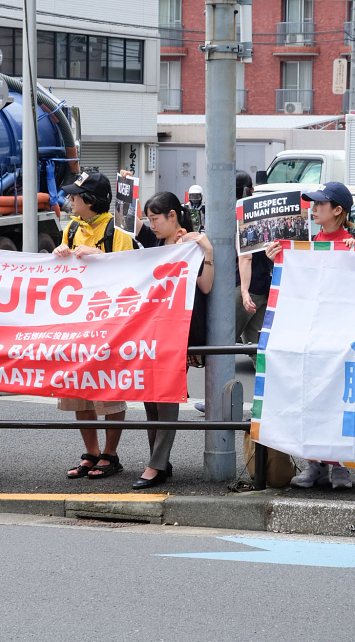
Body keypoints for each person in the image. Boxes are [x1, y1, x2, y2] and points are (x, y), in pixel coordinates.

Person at [266, 181, 355, 490]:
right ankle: (314, 464)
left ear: (338, 210)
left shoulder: (352, 244)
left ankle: (341, 466)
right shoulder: (305, 243)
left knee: (338, 398)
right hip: (310, 335)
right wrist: (277, 259)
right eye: (313, 203)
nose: (313, 208)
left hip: (342, 336)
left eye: (321, 204)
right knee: (311, 396)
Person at [53, 171, 136, 480]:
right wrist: (58, 255)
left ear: (89, 200)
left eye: (74, 196)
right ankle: (91, 452)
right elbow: (58, 274)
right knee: (78, 391)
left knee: (110, 392)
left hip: (109, 325)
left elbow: (133, 275)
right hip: (76, 324)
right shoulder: (71, 229)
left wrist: (99, 255)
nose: (70, 200)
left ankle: (110, 454)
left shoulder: (118, 235)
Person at [133, 191, 214, 489]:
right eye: (149, 219)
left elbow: (205, 286)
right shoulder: (155, 243)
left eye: (155, 218)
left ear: (172, 216)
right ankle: (160, 462)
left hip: (178, 332)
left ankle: (155, 465)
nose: (151, 224)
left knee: (165, 397)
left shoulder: (191, 244)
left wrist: (208, 254)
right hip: (152, 331)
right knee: (150, 399)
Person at [237, 170, 273, 369]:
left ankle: (218, 396)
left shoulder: (237, 214)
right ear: (252, 189)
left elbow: (245, 257)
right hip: (265, 285)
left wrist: (243, 291)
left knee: (219, 341)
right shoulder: (262, 211)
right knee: (257, 346)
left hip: (246, 287)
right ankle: (269, 389)